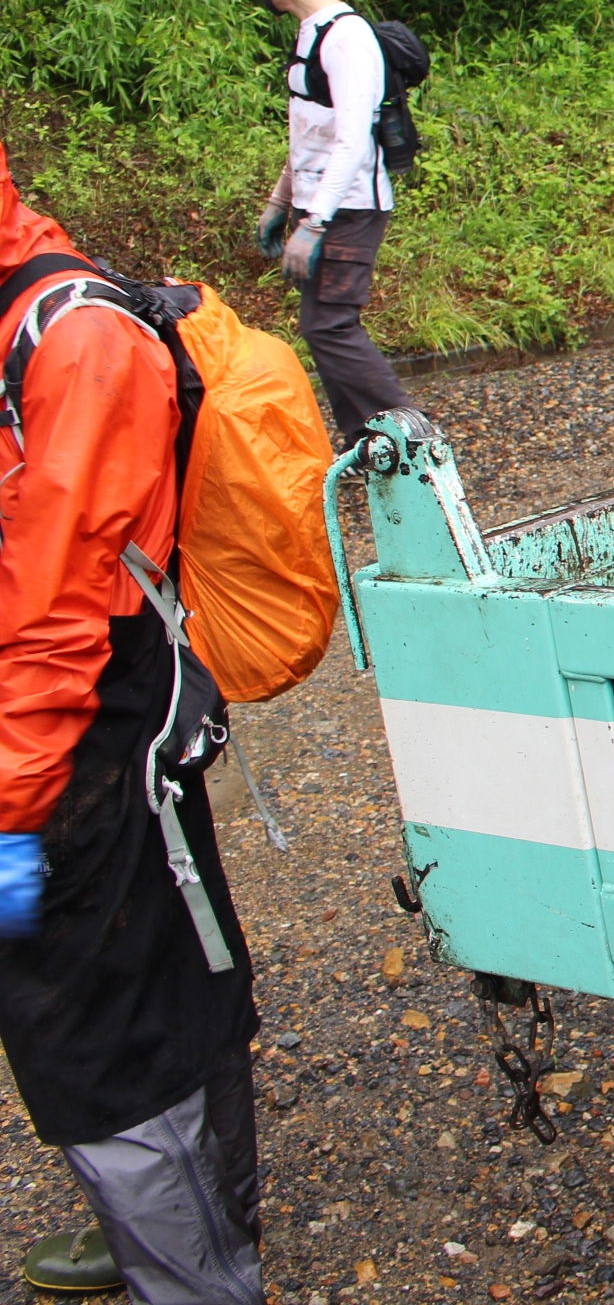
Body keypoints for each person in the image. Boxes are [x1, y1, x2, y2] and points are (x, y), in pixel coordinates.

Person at [0, 141, 264, 1304]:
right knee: (177, 972)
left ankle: (197, 1274)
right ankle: (183, 1232)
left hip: (79, 728)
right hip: (73, 710)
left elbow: (56, 610)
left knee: (102, 1036)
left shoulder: (74, 340)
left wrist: (13, 810)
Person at [239, 0, 416, 443]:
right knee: (323, 328)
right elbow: (311, 133)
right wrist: (280, 202)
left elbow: (353, 141)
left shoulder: (347, 39)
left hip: (351, 208)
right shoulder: (312, 31)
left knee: (331, 326)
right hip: (321, 204)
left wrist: (315, 223)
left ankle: (413, 443)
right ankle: (370, 445)